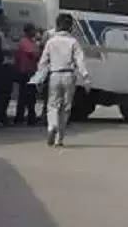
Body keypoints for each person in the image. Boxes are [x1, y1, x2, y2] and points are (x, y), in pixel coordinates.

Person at [37, 13, 89, 146]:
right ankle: (59, 138)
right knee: (65, 107)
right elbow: (80, 61)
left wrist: (39, 78)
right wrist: (86, 78)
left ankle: (52, 126)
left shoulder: (51, 42)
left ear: (57, 26)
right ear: (71, 27)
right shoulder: (74, 42)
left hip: (54, 75)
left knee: (53, 105)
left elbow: (43, 62)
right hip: (69, 76)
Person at [13, 24, 41, 125]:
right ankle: (23, 117)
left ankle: (28, 117)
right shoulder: (24, 41)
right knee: (26, 96)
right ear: (28, 31)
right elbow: (33, 54)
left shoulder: (31, 41)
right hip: (25, 72)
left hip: (30, 71)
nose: (35, 32)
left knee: (29, 96)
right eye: (34, 30)